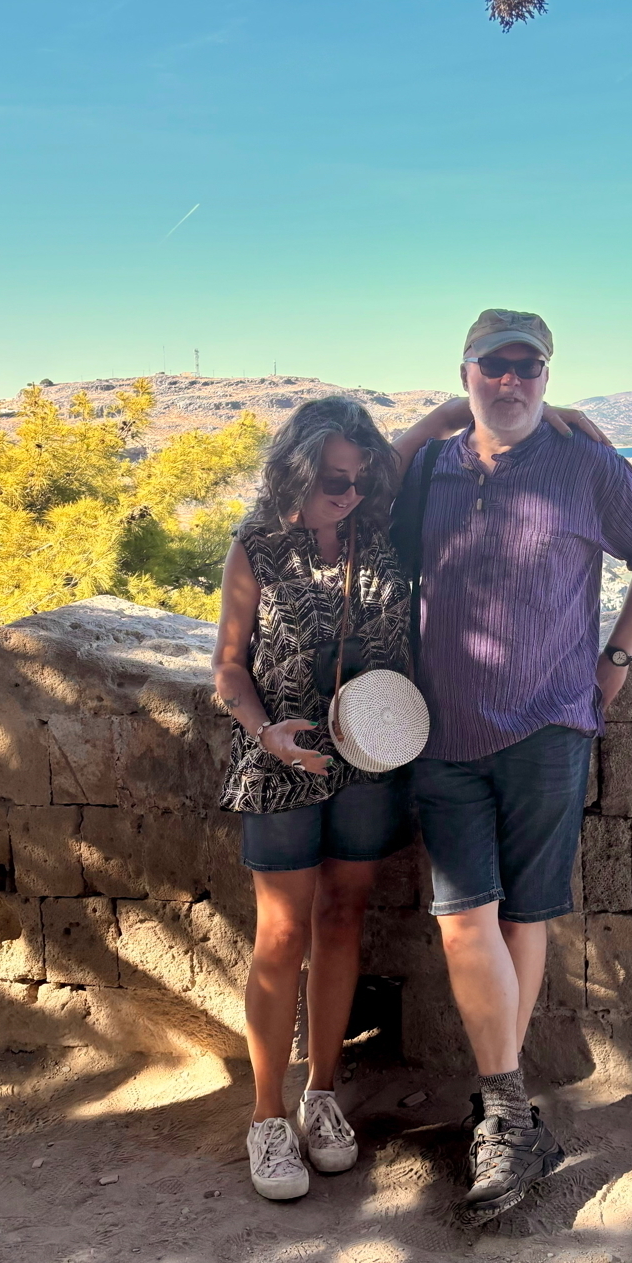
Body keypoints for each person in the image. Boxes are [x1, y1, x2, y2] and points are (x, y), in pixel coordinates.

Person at [392, 310, 632, 1219]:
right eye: (494, 367)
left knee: (524, 915)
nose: (512, 382)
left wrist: (619, 658)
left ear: (549, 375)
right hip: (439, 732)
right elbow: (369, 502)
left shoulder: (589, 468)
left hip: (551, 722)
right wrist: (441, 417)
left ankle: (503, 1118)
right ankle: (510, 1117)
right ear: (467, 371)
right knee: (459, 918)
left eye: (530, 368)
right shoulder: (434, 470)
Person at [212, 397, 411, 1202]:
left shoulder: (382, 532)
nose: (349, 493)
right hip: (284, 756)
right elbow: (229, 665)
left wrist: (555, 403)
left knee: (342, 917)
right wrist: (265, 734)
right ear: (297, 468)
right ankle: (266, 1116)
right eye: (334, 478)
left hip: (371, 755)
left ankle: (321, 1095)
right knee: (282, 929)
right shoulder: (256, 547)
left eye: (361, 479)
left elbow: (433, 432)